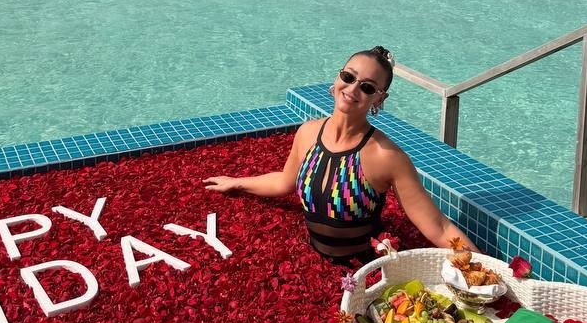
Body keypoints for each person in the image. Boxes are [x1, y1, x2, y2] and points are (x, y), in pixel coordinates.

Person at [203, 46, 476, 263]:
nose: (353, 89)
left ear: (379, 99)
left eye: (367, 87)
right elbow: (284, 182)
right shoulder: (308, 133)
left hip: (364, 271)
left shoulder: (387, 156)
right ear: (337, 78)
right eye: (348, 77)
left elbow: (438, 227)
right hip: (312, 262)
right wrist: (237, 182)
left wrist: (488, 271)